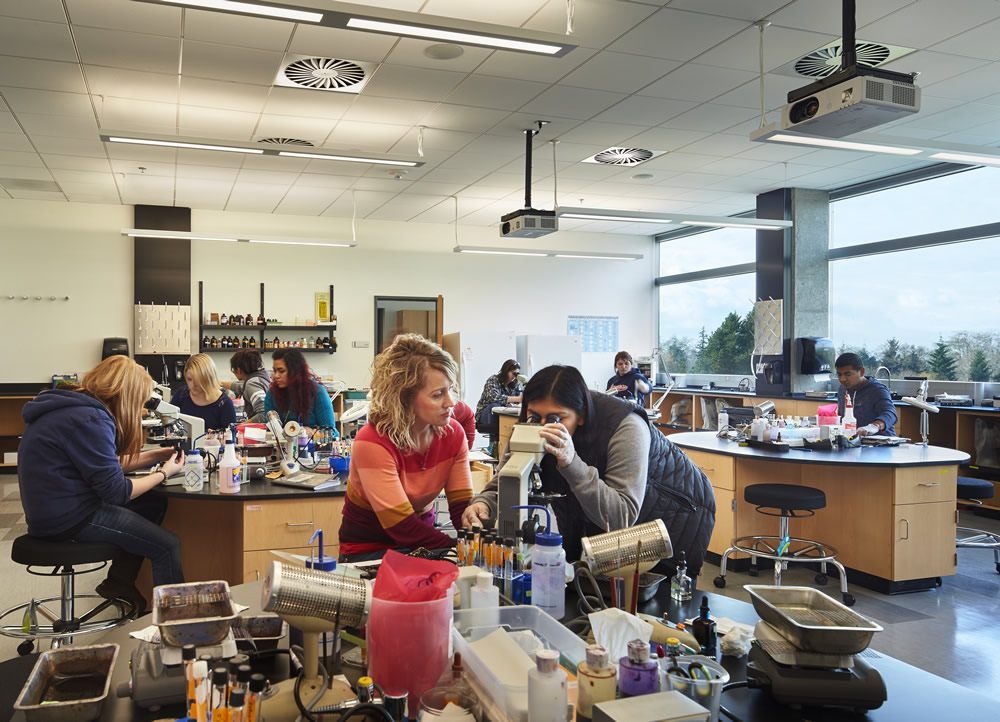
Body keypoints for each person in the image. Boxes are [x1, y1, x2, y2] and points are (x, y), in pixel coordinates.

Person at [463, 365, 716, 577]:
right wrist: (485, 502)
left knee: (646, 608)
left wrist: (572, 463)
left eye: (555, 419)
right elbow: (507, 477)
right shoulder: (535, 423)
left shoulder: (626, 426)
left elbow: (621, 517)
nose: (542, 429)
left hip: (671, 519)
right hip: (594, 525)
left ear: (581, 416)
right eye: (533, 417)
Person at [17, 355, 186, 613]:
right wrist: (164, 473)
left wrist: (154, 456)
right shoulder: (92, 419)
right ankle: (175, 626)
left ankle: (118, 582)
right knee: (167, 545)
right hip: (69, 519)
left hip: (50, 512)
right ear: (126, 395)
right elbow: (117, 492)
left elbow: (102, 466)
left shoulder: (74, 408)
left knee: (152, 503)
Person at [339, 334, 474, 556]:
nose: (450, 402)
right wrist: (458, 550)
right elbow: (401, 526)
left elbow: (461, 508)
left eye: (450, 389)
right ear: (404, 398)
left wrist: (478, 544)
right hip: (368, 551)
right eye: (438, 394)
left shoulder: (453, 434)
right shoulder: (372, 441)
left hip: (423, 542)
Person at [263, 347, 338, 434]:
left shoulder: (317, 392)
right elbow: (269, 430)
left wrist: (311, 433)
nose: (276, 376)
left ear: (295, 371)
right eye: (274, 371)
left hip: (311, 446)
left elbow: (332, 432)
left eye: (281, 371)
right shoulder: (272, 394)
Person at [835, 352, 897, 437]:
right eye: (839, 374)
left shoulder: (876, 389)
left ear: (861, 371)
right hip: (855, 442)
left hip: (881, 444)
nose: (842, 379)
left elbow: (891, 413)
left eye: (848, 374)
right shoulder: (842, 389)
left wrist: (874, 426)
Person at [171, 353, 237, 430]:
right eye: (189, 379)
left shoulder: (224, 404)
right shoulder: (180, 395)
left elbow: (230, 437)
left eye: (198, 380)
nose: (193, 385)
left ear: (208, 378)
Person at [475, 359, 524, 441]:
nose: (515, 376)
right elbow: (493, 397)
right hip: (486, 414)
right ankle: (495, 444)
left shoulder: (515, 384)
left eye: (517, 374)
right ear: (506, 371)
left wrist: (512, 403)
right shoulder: (493, 379)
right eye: (513, 373)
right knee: (495, 407)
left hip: (504, 414)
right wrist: (515, 399)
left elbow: (517, 402)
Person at [222, 348, 270, 422]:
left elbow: (264, 414)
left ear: (238, 369)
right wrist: (219, 383)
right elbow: (240, 387)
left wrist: (241, 426)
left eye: (233, 370)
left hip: (262, 430)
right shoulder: (261, 377)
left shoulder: (251, 384)